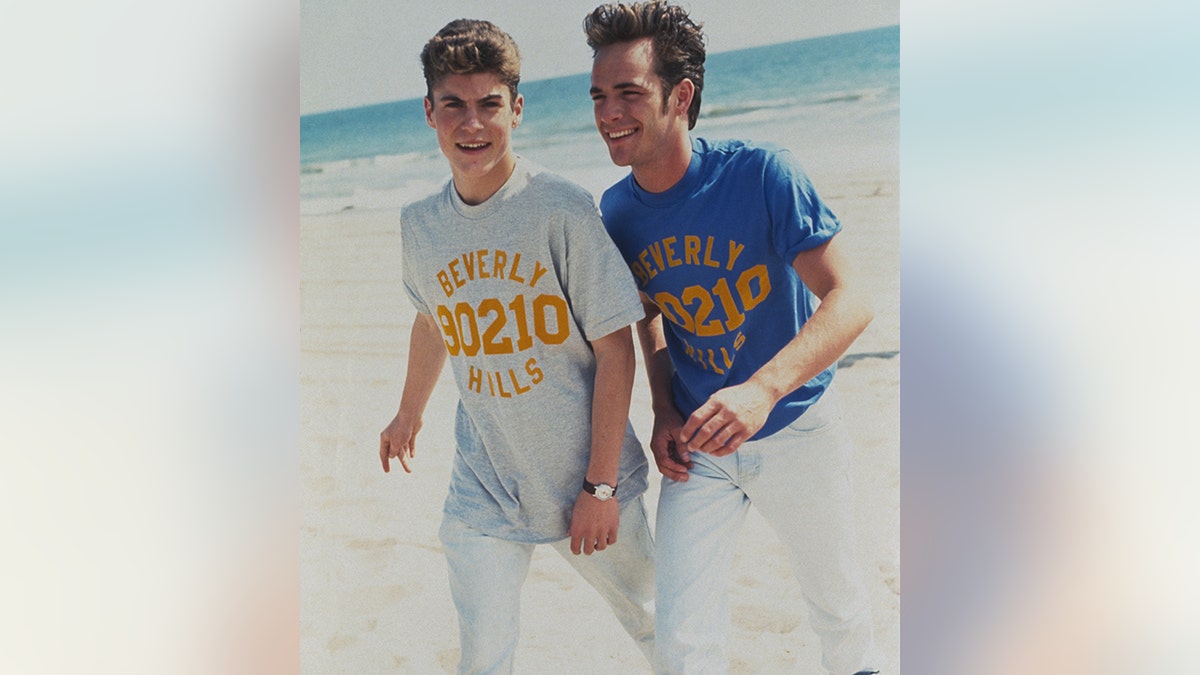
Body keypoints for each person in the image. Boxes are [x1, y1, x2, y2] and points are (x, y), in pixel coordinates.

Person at [583, 3, 881, 673]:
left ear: (680, 96)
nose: (608, 112)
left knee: (836, 604)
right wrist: (662, 405)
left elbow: (851, 298)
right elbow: (649, 311)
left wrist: (761, 389)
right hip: (700, 446)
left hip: (796, 426)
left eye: (628, 92)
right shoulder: (618, 210)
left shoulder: (761, 174)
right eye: (599, 95)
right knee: (684, 637)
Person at [379, 18, 656, 673]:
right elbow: (432, 319)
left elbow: (617, 347)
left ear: (517, 109)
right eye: (454, 105)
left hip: (585, 477)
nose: (471, 124)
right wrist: (408, 410)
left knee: (655, 622)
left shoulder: (560, 208)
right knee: (484, 653)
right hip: (486, 487)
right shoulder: (419, 224)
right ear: (429, 113)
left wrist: (601, 484)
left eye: (489, 105)